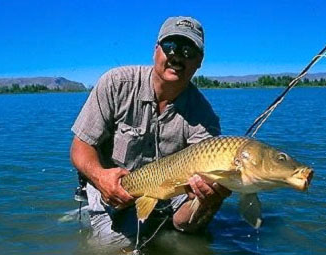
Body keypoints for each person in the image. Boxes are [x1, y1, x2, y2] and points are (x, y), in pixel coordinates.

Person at [70, 16, 231, 249]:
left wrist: (209, 199)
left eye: (188, 50)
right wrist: (100, 177)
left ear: (199, 61)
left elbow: (187, 218)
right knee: (110, 246)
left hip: (170, 191)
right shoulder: (115, 83)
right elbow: (80, 146)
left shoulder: (205, 118)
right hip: (112, 189)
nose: (177, 56)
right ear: (156, 50)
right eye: (170, 46)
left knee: (190, 234)